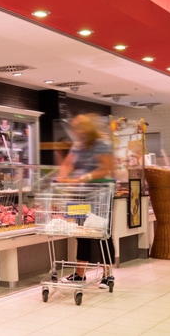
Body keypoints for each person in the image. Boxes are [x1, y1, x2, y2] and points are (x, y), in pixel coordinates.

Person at [56, 113, 114, 283]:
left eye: (78, 129)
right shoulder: (78, 145)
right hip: (80, 194)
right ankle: (80, 274)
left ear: (87, 129)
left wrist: (84, 177)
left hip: (100, 195)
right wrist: (62, 177)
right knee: (81, 233)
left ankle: (107, 274)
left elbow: (106, 168)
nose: (76, 132)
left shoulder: (101, 145)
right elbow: (68, 163)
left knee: (102, 234)